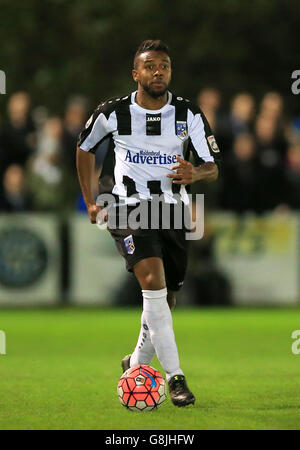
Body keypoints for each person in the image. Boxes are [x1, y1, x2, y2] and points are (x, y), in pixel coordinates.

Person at [76, 40, 220, 407]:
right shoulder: (113, 112)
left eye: (165, 66)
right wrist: (92, 199)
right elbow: (84, 148)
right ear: (135, 74)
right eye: (151, 66)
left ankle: (136, 363)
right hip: (126, 207)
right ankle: (176, 380)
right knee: (153, 283)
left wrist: (195, 173)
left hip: (172, 210)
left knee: (167, 299)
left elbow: (212, 166)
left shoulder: (188, 113)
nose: (159, 72)